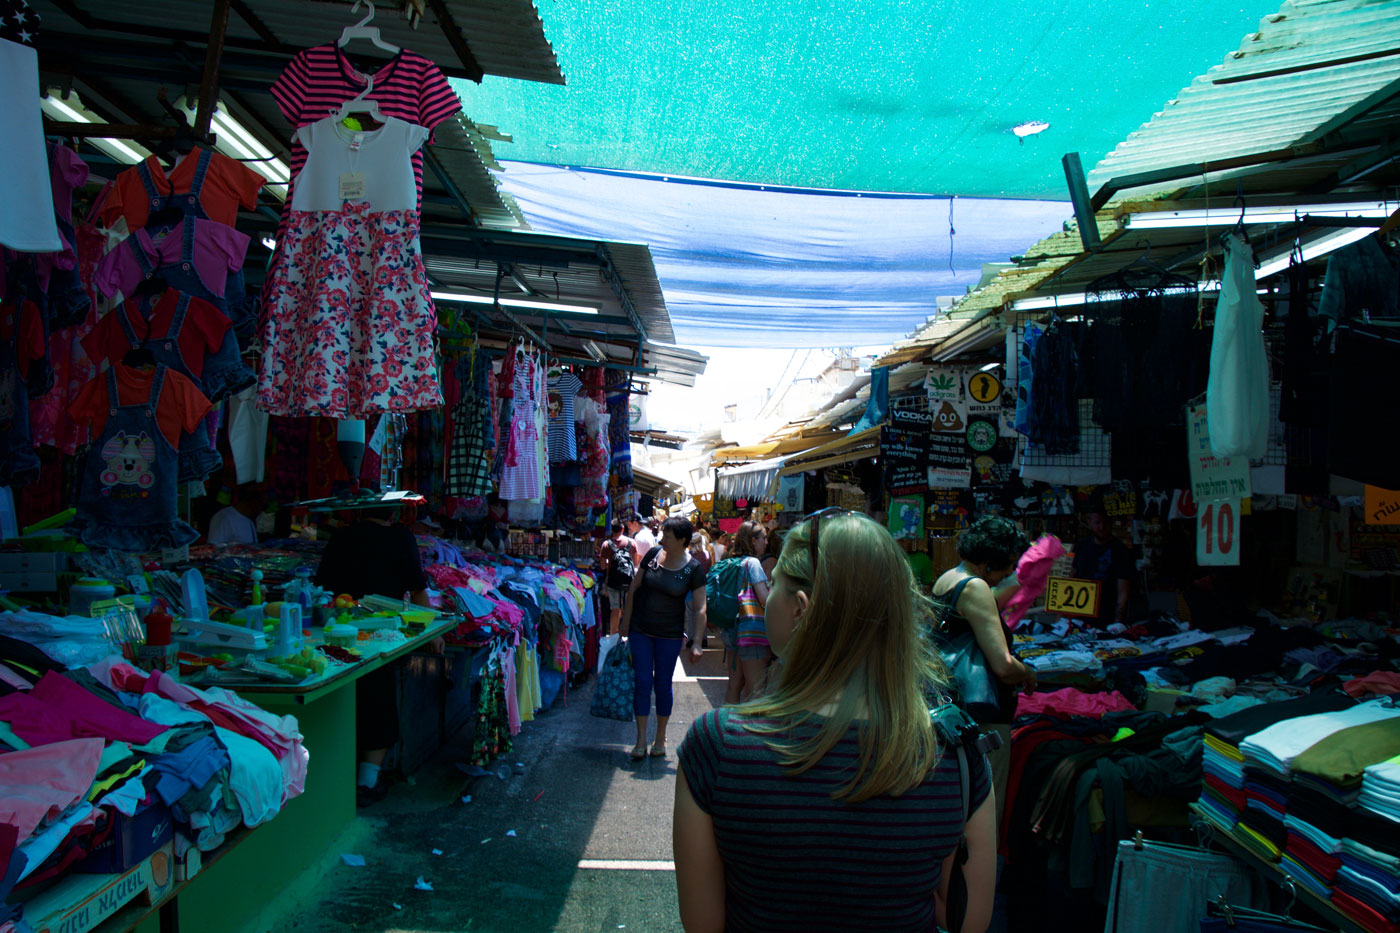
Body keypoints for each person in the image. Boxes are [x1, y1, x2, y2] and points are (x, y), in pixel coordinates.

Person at [675, 511, 997, 932]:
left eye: (775, 586)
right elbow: (966, 920)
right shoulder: (956, 754)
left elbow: (704, 925)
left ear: (800, 608)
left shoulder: (716, 746)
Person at [316, 505, 442, 806]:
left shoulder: (341, 537)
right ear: (393, 513)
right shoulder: (401, 538)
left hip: (338, 628)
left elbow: (322, 587)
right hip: (383, 632)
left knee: (343, 693)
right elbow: (419, 591)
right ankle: (368, 780)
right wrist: (434, 632)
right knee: (379, 695)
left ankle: (334, 774)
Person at [931, 515, 1036, 827]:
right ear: (990, 561)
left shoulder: (949, 578)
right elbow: (1002, 665)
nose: (1008, 573)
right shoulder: (975, 586)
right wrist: (1027, 672)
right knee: (984, 810)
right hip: (982, 717)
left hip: (954, 710)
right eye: (1007, 565)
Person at [620, 515, 707, 762]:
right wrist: (626, 620)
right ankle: (640, 740)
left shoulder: (694, 569)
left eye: (668, 535)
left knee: (663, 685)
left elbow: (701, 608)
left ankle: (660, 738)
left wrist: (697, 641)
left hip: (669, 635)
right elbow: (635, 586)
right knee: (643, 681)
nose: (662, 539)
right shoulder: (653, 555)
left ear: (682, 540)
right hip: (641, 630)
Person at [722, 521, 771, 702]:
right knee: (756, 686)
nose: (766, 543)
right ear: (752, 540)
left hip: (731, 629)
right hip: (751, 630)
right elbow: (765, 599)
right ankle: (749, 728)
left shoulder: (729, 561)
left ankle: (728, 726)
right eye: (763, 538)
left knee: (734, 685)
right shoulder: (753, 563)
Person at [1072, 508, 1134, 625]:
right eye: (1098, 523)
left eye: (1105, 523)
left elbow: (1123, 592)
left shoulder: (1121, 551)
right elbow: (1071, 578)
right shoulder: (1081, 545)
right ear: (1089, 522)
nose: (1102, 527)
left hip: (1106, 617)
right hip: (1079, 615)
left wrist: (1117, 623)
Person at [599, 519, 636, 636]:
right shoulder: (632, 543)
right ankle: (626, 635)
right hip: (628, 582)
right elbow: (634, 563)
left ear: (612, 529)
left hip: (612, 582)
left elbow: (602, 566)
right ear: (623, 529)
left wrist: (610, 561)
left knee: (615, 609)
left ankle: (614, 636)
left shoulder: (606, 544)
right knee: (627, 609)